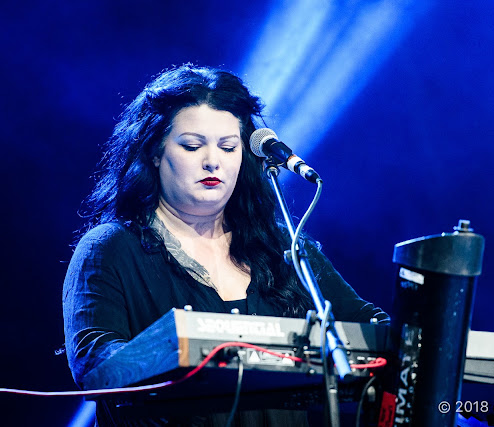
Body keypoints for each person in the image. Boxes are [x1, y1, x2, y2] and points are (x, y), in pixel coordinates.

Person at [62, 63, 389, 426]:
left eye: (228, 147)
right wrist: (188, 350)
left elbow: (370, 328)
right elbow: (97, 364)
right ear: (155, 152)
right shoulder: (110, 248)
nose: (212, 161)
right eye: (191, 145)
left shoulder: (283, 247)